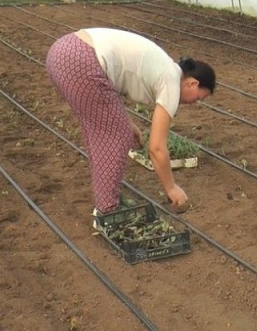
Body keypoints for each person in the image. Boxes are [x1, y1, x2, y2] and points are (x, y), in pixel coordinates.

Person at [45, 27, 215, 219]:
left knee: (103, 131)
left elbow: (113, 83)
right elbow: (157, 148)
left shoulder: (165, 67)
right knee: (116, 137)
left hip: (63, 52)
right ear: (193, 83)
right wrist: (171, 187)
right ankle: (108, 211)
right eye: (200, 97)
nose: (196, 103)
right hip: (81, 61)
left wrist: (127, 123)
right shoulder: (171, 82)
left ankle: (105, 200)